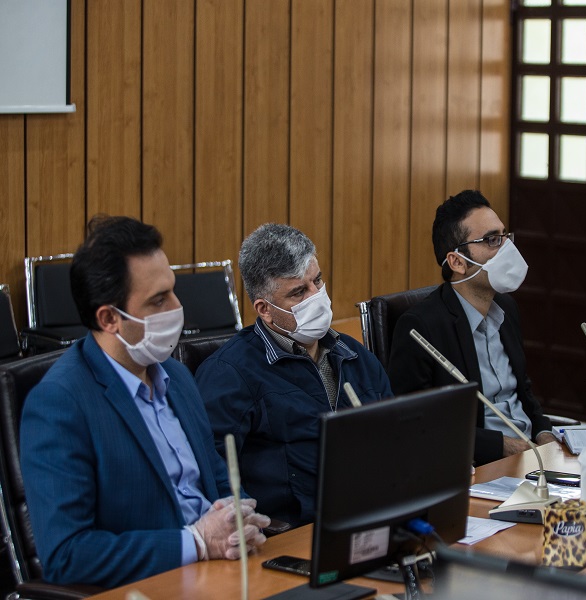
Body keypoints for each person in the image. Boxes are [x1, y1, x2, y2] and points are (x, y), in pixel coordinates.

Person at [20, 216, 269, 589]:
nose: (177, 306)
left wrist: (240, 517)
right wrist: (197, 542)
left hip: (227, 573)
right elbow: (67, 555)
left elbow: (219, 480)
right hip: (153, 586)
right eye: (158, 299)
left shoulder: (176, 376)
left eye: (172, 290)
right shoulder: (58, 404)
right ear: (110, 318)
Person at [196, 223, 392, 528]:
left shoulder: (354, 355)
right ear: (265, 309)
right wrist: (250, 524)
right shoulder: (229, 374)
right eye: (299, 292)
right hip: (291, 532)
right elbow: (211, 471)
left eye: (317, 281)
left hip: (371, 516)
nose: (317, 296)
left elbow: (393, 438)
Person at [388, 190, 555, 466]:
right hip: (479, 465)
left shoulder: (507, 308)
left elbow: (522, 391)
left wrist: (545, 434)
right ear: (457, 262)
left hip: (531, 457)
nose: (506, 248)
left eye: (504, 236)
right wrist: (502, 446)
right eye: (492, 240)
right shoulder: (421, 327)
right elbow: (416, 423)